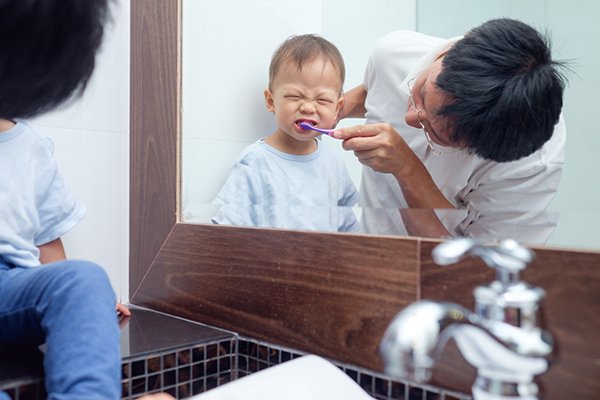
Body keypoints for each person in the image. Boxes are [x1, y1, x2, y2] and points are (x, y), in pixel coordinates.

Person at [0, 1, 171, 399]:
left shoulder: (32, 147)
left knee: (85, 278)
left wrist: (89, 305)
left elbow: (47, 243)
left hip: (12, 286)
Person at [332, 18, 567, 244]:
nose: (410, 117)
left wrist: (407, 169)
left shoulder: (530, 165)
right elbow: (373, 89)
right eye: (421, 92)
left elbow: (474, 270)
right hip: (365, 250)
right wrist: (328, 108)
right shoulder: (394, 52)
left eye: (435, 133)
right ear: (463, 42)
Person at [212, 34, 360, 233]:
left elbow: (348, 227)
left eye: (322, 100)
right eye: (294, 96)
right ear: (271, 101)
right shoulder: (253, 163)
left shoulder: (334, 163)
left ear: (337, 108)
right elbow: (223, 229)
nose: (308, 107)